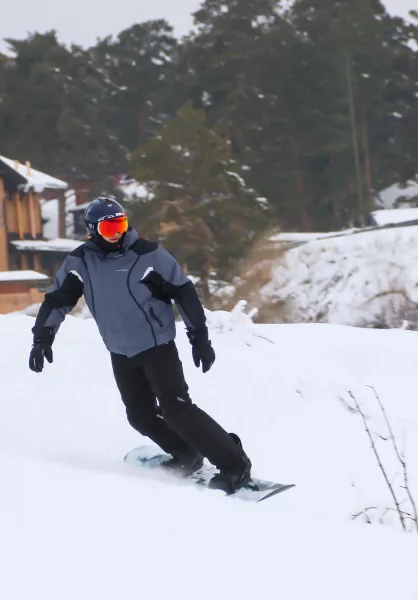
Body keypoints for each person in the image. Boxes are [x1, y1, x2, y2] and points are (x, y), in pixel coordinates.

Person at [28, 196, 252, 494]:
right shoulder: (81, 262)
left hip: (156, 346)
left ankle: (235, 464)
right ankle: (186, 453)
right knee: (140, 415)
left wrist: (199, 338)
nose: (117, 233)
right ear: (93, 231)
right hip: (120, 351)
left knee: (177, 409)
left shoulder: (148, 254)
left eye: (121, 225)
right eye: (109, 228)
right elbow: (58, 300)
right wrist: (42, 338)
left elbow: (183, 292)